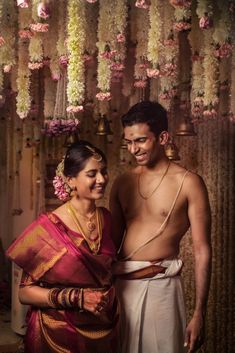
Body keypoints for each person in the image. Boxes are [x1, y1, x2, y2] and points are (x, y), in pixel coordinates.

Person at [110, 101, 212, 353]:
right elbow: (109, 247)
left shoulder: (189, 183)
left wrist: (199, 313)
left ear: (163, 137)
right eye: (129, 142)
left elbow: (202, 251)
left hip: (162, 288)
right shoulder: (122, 183)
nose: (134, 149)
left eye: (141, 140)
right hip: (121, 287)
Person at [6, 140, 119, 353]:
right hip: (58, 334)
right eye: (92, 173)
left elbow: (107, 269)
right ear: (71, 180)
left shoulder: (106, 218)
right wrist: (78, 298)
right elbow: (25, 293)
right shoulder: (49, 227)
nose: (102, 179)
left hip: (102, 327)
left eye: (104, 172)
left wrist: (148, 270)